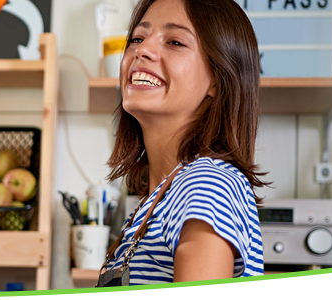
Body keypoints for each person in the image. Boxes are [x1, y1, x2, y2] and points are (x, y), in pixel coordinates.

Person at [95, 0, 268, 286]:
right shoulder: (159, 198)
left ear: (218, 78)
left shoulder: (208, 183)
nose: (142, 49)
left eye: (174, 42)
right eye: (137, 38)